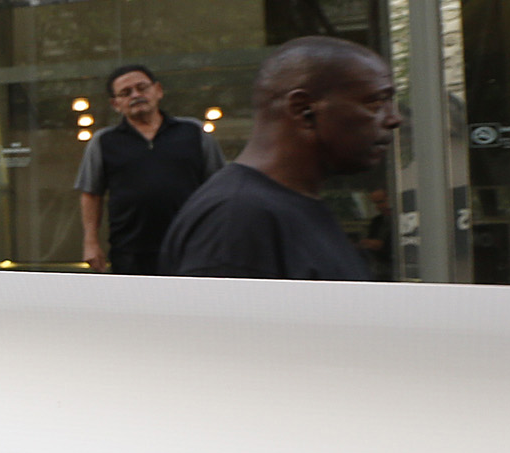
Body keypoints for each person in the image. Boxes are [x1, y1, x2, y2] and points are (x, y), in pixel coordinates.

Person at [161, 36, 398, 280]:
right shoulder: (238, 219)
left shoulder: (279, 208)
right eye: (376, 102)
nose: (393, 119)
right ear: (302, 109)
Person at [77, 64, 225, 274]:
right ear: (115, 103)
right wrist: (90, 242)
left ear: (158, 90)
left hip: (191, 246)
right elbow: (91, 193)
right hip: (130, 251)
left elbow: (218, 187)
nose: (136, 95)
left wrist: (219, 236)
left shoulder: (193, 132)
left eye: (142, 88)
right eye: (126, 93)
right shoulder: (103, 142)